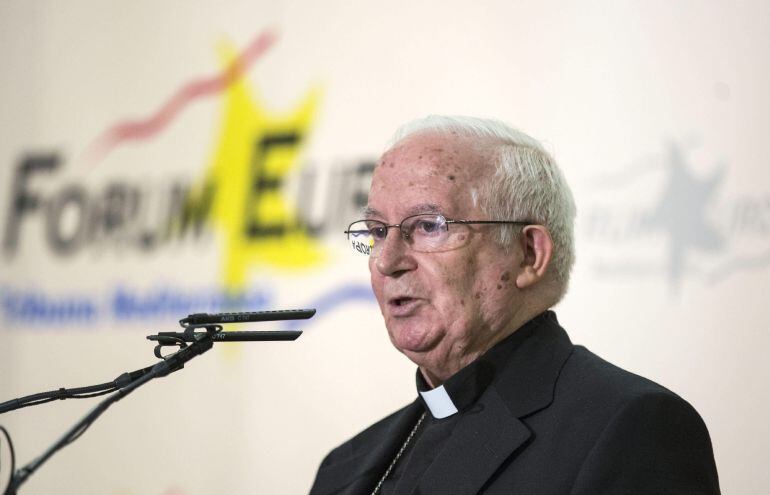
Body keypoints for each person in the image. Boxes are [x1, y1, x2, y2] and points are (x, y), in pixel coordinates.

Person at [310, 116, 720, 495]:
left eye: (428, 226)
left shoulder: (633, 430)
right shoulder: (344, 468)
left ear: (529, 254)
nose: (387, 261)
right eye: (378, 232)